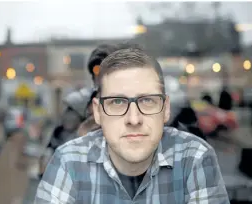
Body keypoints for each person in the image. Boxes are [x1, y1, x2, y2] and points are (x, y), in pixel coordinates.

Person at [35, 44, 229, 203]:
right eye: (116, 102)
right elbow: (50, 163)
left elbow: (185, 148)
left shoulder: (191, 152)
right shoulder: (76, 115)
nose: (132, 118)